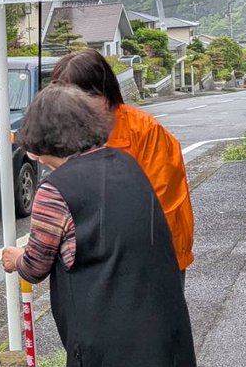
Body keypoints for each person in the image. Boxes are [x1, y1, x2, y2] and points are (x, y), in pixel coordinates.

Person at [1, 85, 201, 367]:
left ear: (43, 139)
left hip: (108, 357)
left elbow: (36, 264)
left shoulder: (56, 191)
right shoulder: (129, 166)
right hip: (161, 341)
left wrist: (14, 257)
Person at [50, 49, 195, 276]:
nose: (74, 107)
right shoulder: (68, 132)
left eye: (81, 98)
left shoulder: (145, 130)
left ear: (104, 92)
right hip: (98, 259)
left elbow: (159, 202)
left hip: (153, 255)